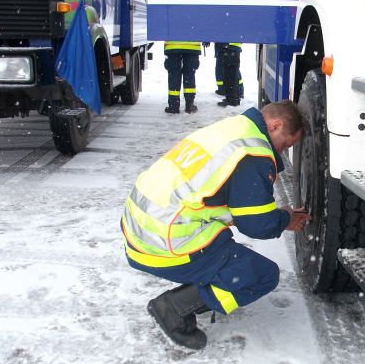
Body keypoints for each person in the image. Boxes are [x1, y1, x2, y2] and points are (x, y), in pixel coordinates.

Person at [121, 101, 311, 349]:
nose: (284, 151)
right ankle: (174, 307)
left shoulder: (234, 128)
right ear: (276, 125)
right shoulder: (254, 153)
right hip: (163, 244)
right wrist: (286, 218)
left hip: (140, 230)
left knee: (223, 244)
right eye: (286, 143)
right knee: (263, 276)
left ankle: (201, 283)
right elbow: (257, 225)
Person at [163, 41, 201, 114]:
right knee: (189, 75)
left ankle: (173, 106)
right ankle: (189, 105)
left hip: (173, 46)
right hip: (193, 46)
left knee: (174, 76)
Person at [215, 42, 242, 107]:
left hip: (229, 46)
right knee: (232, 74)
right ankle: (233, 98)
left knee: (229, 75)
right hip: (233, 47)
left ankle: (231, 100)